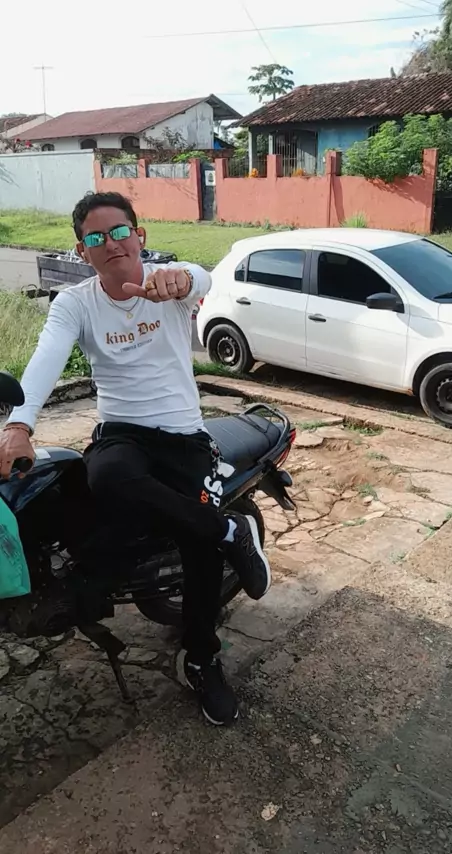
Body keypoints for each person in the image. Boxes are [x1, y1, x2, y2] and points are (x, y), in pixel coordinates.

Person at [0, 191, 271, 726]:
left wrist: (185, 278)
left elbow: (201, 278)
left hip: (184, 435)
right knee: (102, 478)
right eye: (96, 237)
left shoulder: (169, 285)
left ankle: (203, 658)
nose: (111, 243)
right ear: (83, 251)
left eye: (120, 231)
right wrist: (17, 426)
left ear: (139, 236)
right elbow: (46, 359)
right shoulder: (75, 303)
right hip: (122, 432)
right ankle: (227, 530)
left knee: (198, 552)